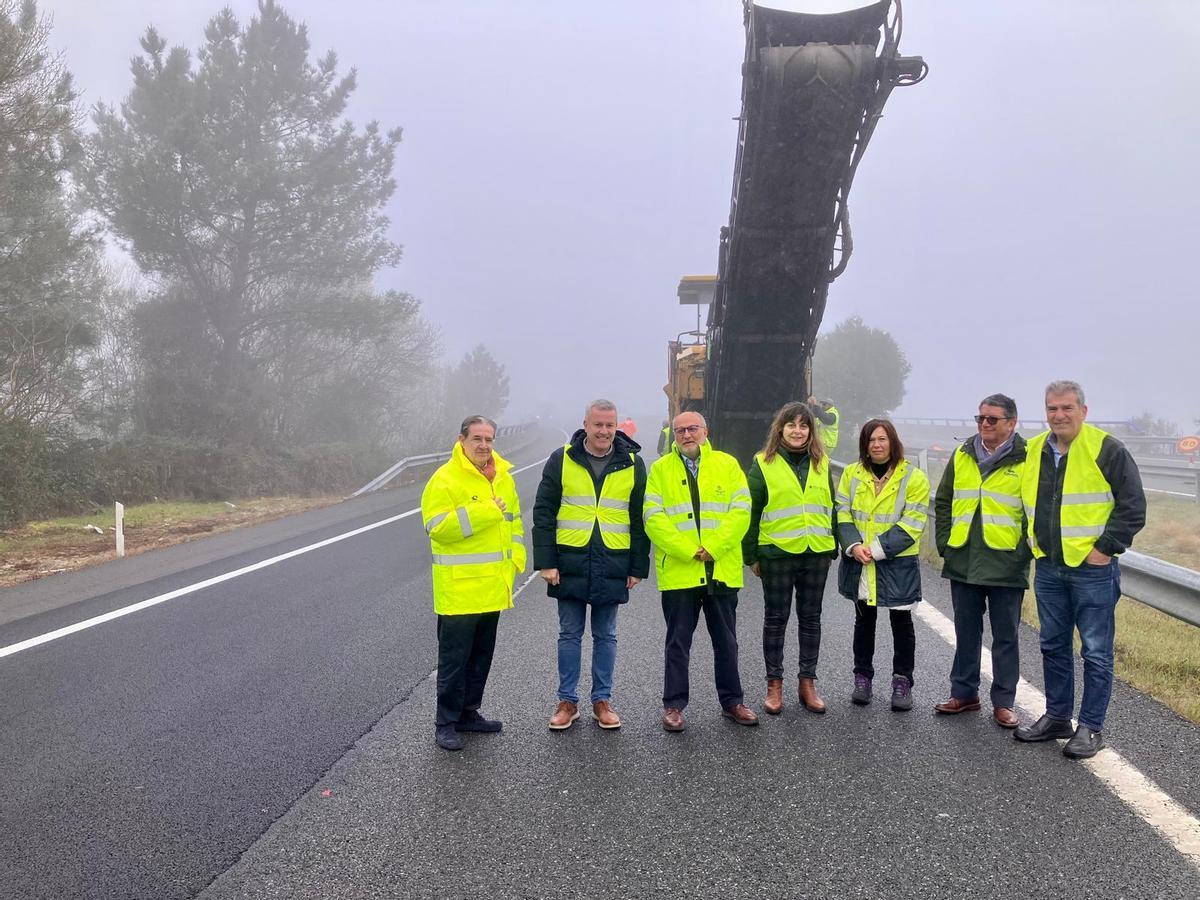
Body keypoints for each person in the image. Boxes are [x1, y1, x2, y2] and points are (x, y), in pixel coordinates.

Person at [1015, 380, 1145, 759]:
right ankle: (1057, 717)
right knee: (1053, 645)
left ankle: (1090, 727)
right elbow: (1028, 501)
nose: (1059, 415)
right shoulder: (1036, 450)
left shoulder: (1106, 448)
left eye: (1067, 408)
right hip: (1050, 567)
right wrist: (1032, 541)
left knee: (1096, 652)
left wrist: (1105, 549)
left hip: (1093, 570)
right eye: (1052, 409)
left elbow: (1133, 505)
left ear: (1083, 412)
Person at [533, 400, 649, 730]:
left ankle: (602, 701)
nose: (604, 431)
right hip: (568, 561)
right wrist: (546, 561)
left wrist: (638, 567)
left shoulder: (632, 464)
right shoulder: (562, 459)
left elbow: (639, 518)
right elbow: (543, 512)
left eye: (609, 425)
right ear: (585, 424)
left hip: (613, 559)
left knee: (606, 635)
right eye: (598, 424)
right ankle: (567, 702)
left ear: (617, 427)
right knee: (569, 634)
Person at [644, 411, 757, 731]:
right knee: (678, 642)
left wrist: (715, 547)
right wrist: (689, 549)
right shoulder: (660, 470)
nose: (686, 435)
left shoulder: (727, 465)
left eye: (692, 429)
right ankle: (674, 706)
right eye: (679, 431)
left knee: (727, 641)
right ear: (673, 435)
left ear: (706, 432)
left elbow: (741, 510)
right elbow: (653, 517)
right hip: (681, 569)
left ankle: (733, 701)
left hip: (720, 568)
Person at [421, 415, 526, 751]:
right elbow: (437, 528)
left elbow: (515, 522)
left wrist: (516, 560)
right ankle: (446, 722)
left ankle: (468, 712)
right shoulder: (445, 479)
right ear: (461, 439)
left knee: (482, 656)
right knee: (454, 661)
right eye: (477, 438)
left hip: (493, 585)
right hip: (460, 588)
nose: (484, 445)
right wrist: (486, 513)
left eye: (489, 439)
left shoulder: (503, 477)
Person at [933, 394, 1030, 728]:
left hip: (1006, 562)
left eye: (992, 419)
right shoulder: (962, 455)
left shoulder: (1027, 459)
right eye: (980, 419)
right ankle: (964, 694)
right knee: (966, 632)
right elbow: (944, 500)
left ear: (1011, 423)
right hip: (964, 558)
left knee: (1006, 637)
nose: (984, 424)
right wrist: (944, 542)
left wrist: (1025, 549)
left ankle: (1003, 702)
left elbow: (1034, 509)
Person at [743, 401, 839, 715]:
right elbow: (751, 511)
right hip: (776, 554)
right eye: (791, 425)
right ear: (780, 429)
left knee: (811, 620)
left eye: (804, 425)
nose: (798, 431)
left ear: (811, 430)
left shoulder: (822, 462)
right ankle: (775, 686)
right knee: (776, 620)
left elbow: (831, 506)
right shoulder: (762, 463)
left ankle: (807, 683)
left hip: (816, 553)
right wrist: (751, 555)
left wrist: (833, 545)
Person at [835, 419, 930, 710]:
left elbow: (912, 523)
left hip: (896, 564)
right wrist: (853, 546)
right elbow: (842, 512)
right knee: (864, 621)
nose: (876, 445)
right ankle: (862, 679)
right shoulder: (851, 473)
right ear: (864, 444)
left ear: (893, 442)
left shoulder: (914, 478)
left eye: (882, 439)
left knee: (902, 623)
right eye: (871, 440)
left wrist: (875, 550)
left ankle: (902, 682)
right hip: (860, 560)